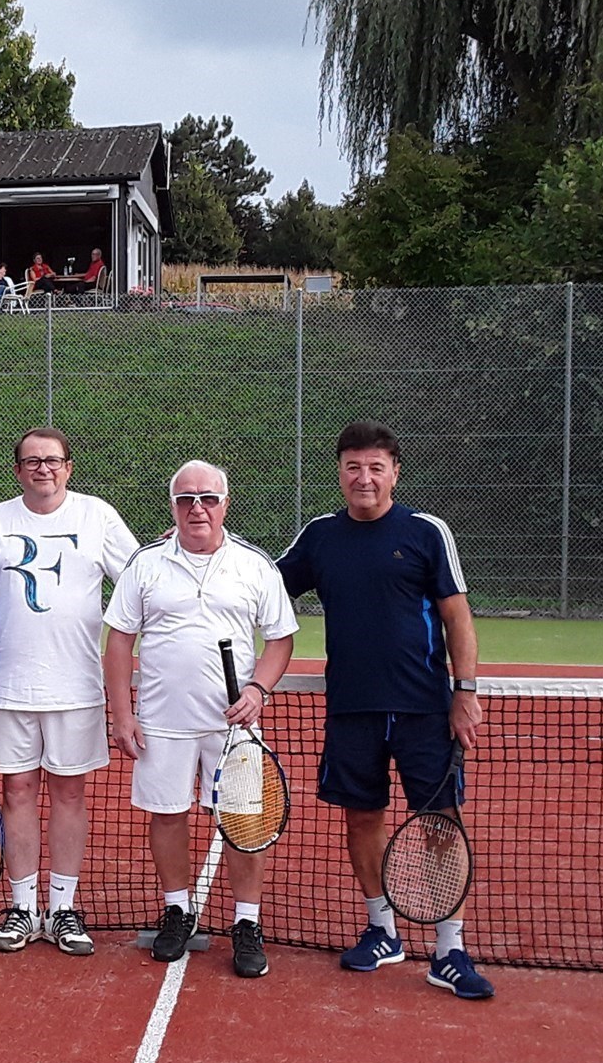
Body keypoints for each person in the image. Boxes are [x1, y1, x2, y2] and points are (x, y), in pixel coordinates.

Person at [275, 419, 495, 1000]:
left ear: (395, 472)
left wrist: (465, 691)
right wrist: (200, 552)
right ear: (339, 472)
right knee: (361, 818)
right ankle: (382, 930)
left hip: (425, 709)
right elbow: (262, 585)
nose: (364, 478)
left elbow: (457, 617)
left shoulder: (426, 531)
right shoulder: (320, 536)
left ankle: (449, 950)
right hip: (353, 708)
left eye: (376, 467)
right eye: (353, 467)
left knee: (441, 823)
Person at [103, 461, 297, 978]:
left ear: (225, 504)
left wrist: (258, 689)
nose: (197, 508)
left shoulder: (255, 565)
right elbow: (119, 640)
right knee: (167, 815)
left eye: (208, 498)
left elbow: (280, 639)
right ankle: (177, 910)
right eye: (186, 499)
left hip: (235, 727)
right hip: (161, 722)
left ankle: (247, 922)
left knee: (243, 823)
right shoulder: (145, 564)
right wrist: (122, 713)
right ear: (173, 506)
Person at [0, 428, 139, 956]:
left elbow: (140, 580)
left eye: (52, 460)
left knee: (69, 794)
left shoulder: (98, 516)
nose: (43, 468)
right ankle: (23, 908)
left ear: (68, 467)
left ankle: (63, 908)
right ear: (17, 470)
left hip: (77, 687)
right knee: (17, 792)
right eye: (32, 461)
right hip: (9, 688)